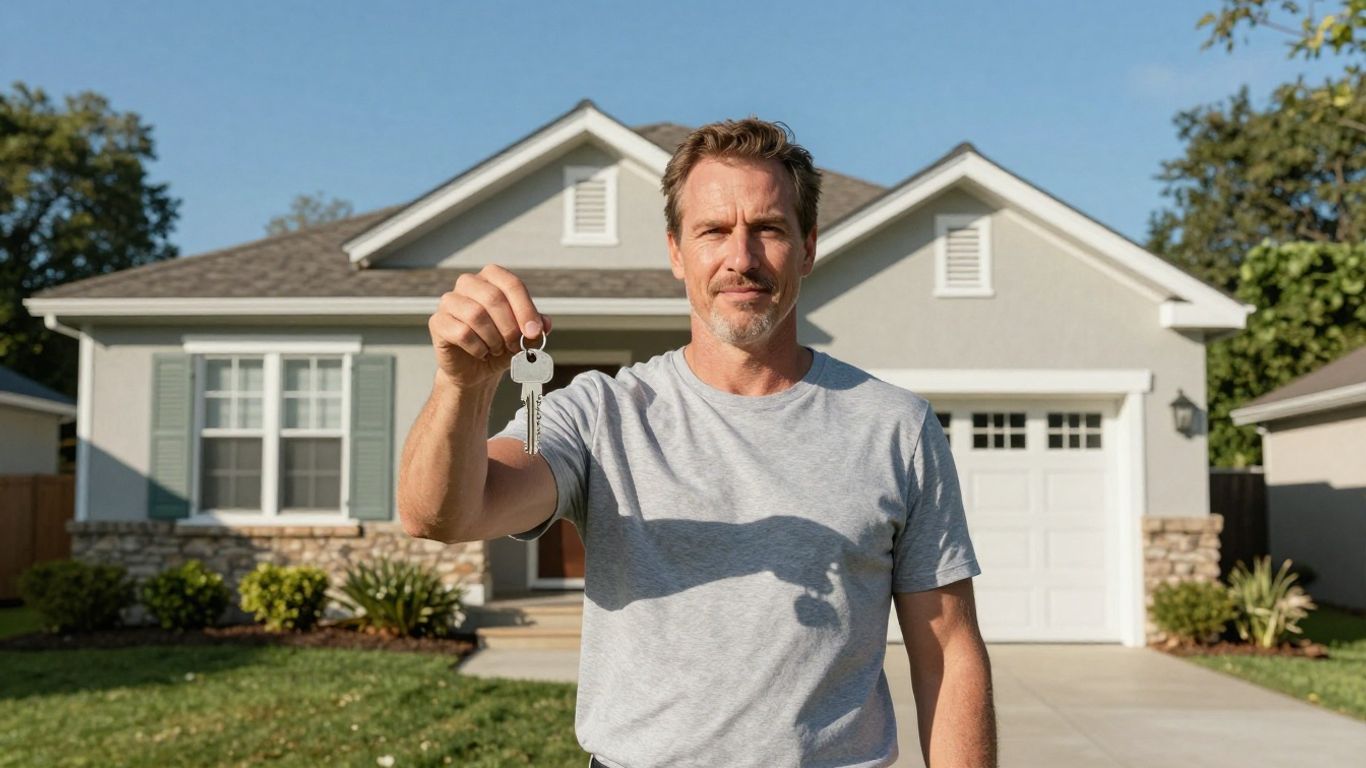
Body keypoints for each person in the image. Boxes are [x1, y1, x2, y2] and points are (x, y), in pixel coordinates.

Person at [399, 117, 997, 768]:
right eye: (713, 231)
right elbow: (440, 513)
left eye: (768, 228)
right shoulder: (602, 414)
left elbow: (949, 652)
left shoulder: (895, 427)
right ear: (677, 251)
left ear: (808, 246)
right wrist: (463, 386)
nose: (741, 258)